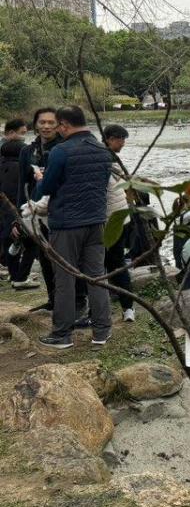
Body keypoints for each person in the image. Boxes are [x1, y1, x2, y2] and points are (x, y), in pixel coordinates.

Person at [33, 106, 113, 349]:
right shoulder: (103, 149)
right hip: (97, 222)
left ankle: (62, 334)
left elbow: (46, 189)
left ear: (65, 125)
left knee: (65, 279)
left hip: (67, 224)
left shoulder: (61, 151)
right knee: (97, 276)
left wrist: (39, 179)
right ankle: (102, 331)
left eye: (58, 125)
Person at [12, 107, 61, 298]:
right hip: (33, 212)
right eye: (42, 122)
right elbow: (22, 185)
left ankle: (71, 303)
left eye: (51, 122)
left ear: (59, 126)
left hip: (58, 212)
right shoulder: (27, 151)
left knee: (62, 258)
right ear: (36, 125)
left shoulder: (63, 148)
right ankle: (52, 299)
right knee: (44, 257)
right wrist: (18, 217)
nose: (46, 126)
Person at [102, 124, 136, 322]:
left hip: (115, 219)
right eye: (120, 139)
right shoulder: (106, 158)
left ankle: (125, 306)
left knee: (110, 262)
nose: (122, 143)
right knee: (115, 263)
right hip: (112, 218)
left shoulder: (108, 157)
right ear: (109, 138)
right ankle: (126, 307)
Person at [0, 121, 27, 282]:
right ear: (10, 133)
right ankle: (16, 274)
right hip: (11, 207)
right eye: (22, 133)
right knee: (14, 238)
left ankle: (11, 269)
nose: (24, 137)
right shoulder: (18, 167)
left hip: (6, 206)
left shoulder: (4, 159)